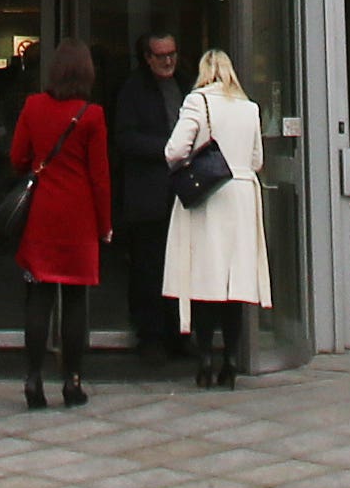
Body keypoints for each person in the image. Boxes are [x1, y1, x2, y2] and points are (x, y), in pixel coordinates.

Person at [6, 35, 113, 409]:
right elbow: (100, 177)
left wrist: (38, 165)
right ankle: (72, 381)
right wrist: (105, 224)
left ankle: (33, 378)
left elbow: (17, 157)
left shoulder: (33, 106)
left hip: (42, 213)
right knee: (75, 299)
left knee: (38, 297)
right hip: (79, 217)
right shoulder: (92, 115)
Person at [159, 45, 272, 388]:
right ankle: (231, 360)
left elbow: (173, 150)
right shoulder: (250, 108)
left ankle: (206, 357)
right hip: (242, 196)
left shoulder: (197, 101)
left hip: (207, 196)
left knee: (204, 280)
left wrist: (191, 159)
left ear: (204, 72)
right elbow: (257, 160)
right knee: (235, 283)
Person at [105, 28, 189, 367]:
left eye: (172, 54)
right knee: (148, 269)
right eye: (161, 56)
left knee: (181, 266)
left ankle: (179, 334)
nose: (168, 61)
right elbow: (125, 138)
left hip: (183, 192)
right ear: (147, 57)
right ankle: (150, 336)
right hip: (148, 194)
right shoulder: (133, 90)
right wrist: (167, 149)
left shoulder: (185, 84)